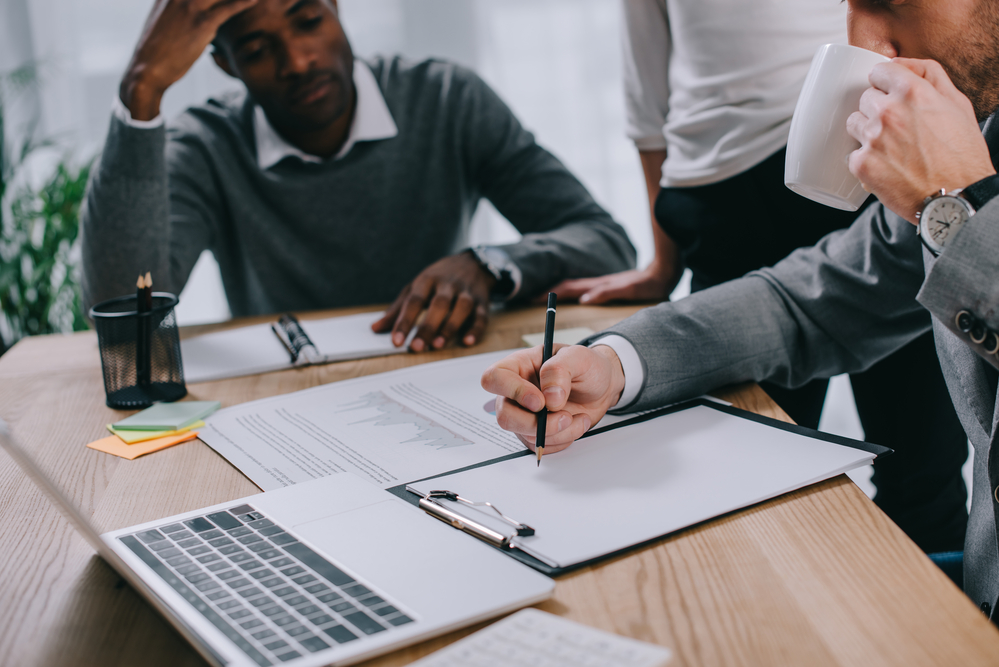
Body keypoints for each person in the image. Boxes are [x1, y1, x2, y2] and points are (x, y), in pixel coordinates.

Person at [484, 0, 999, 617]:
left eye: (887, 3)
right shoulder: (986, 135)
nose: (865, 47)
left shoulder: (964, 167)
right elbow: (807, 302)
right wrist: (615, 365)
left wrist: (957, 203)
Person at [80, 0, 636, 353]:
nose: (297, 60)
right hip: (286, 405)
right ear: (225, 63)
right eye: (256, 48)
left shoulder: (445, 99)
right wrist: (141, 93)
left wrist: (491, 265)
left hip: (439, 376)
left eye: (308, 21)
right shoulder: (205, 145)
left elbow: (607, 244)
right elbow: (126, 321)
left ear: (337, 7)